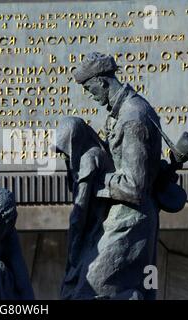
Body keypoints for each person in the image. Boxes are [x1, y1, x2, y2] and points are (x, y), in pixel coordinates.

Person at [69, 52, 162, 299]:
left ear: (102, 81)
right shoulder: (120, 112)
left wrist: (96, 180)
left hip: (131, 220)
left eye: (89, 88)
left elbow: (134, 187)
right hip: (120, 216)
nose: (88, 94)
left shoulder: (133, 118)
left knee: (87, 291)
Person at [54, 117, 114, 299]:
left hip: (95, 230)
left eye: (66, 151)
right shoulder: (97, 152)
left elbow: (80, 209)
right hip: (97, 227)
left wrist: (73, 247)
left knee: (75, 290)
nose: (64, 156)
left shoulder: (89, 160)